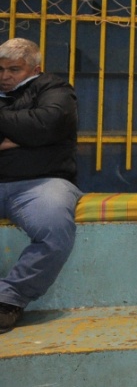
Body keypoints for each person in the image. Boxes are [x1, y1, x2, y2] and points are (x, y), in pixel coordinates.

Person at [0, 38, 82, 334]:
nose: (5, 76)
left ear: (36, 68)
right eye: (0, 69)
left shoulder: (55, 89)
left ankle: (9, 299)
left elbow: (49, 124)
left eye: (14, 69)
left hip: (42, 184)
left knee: (55, 231)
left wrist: (22, 130)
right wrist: (25, 134)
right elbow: (38, 130)